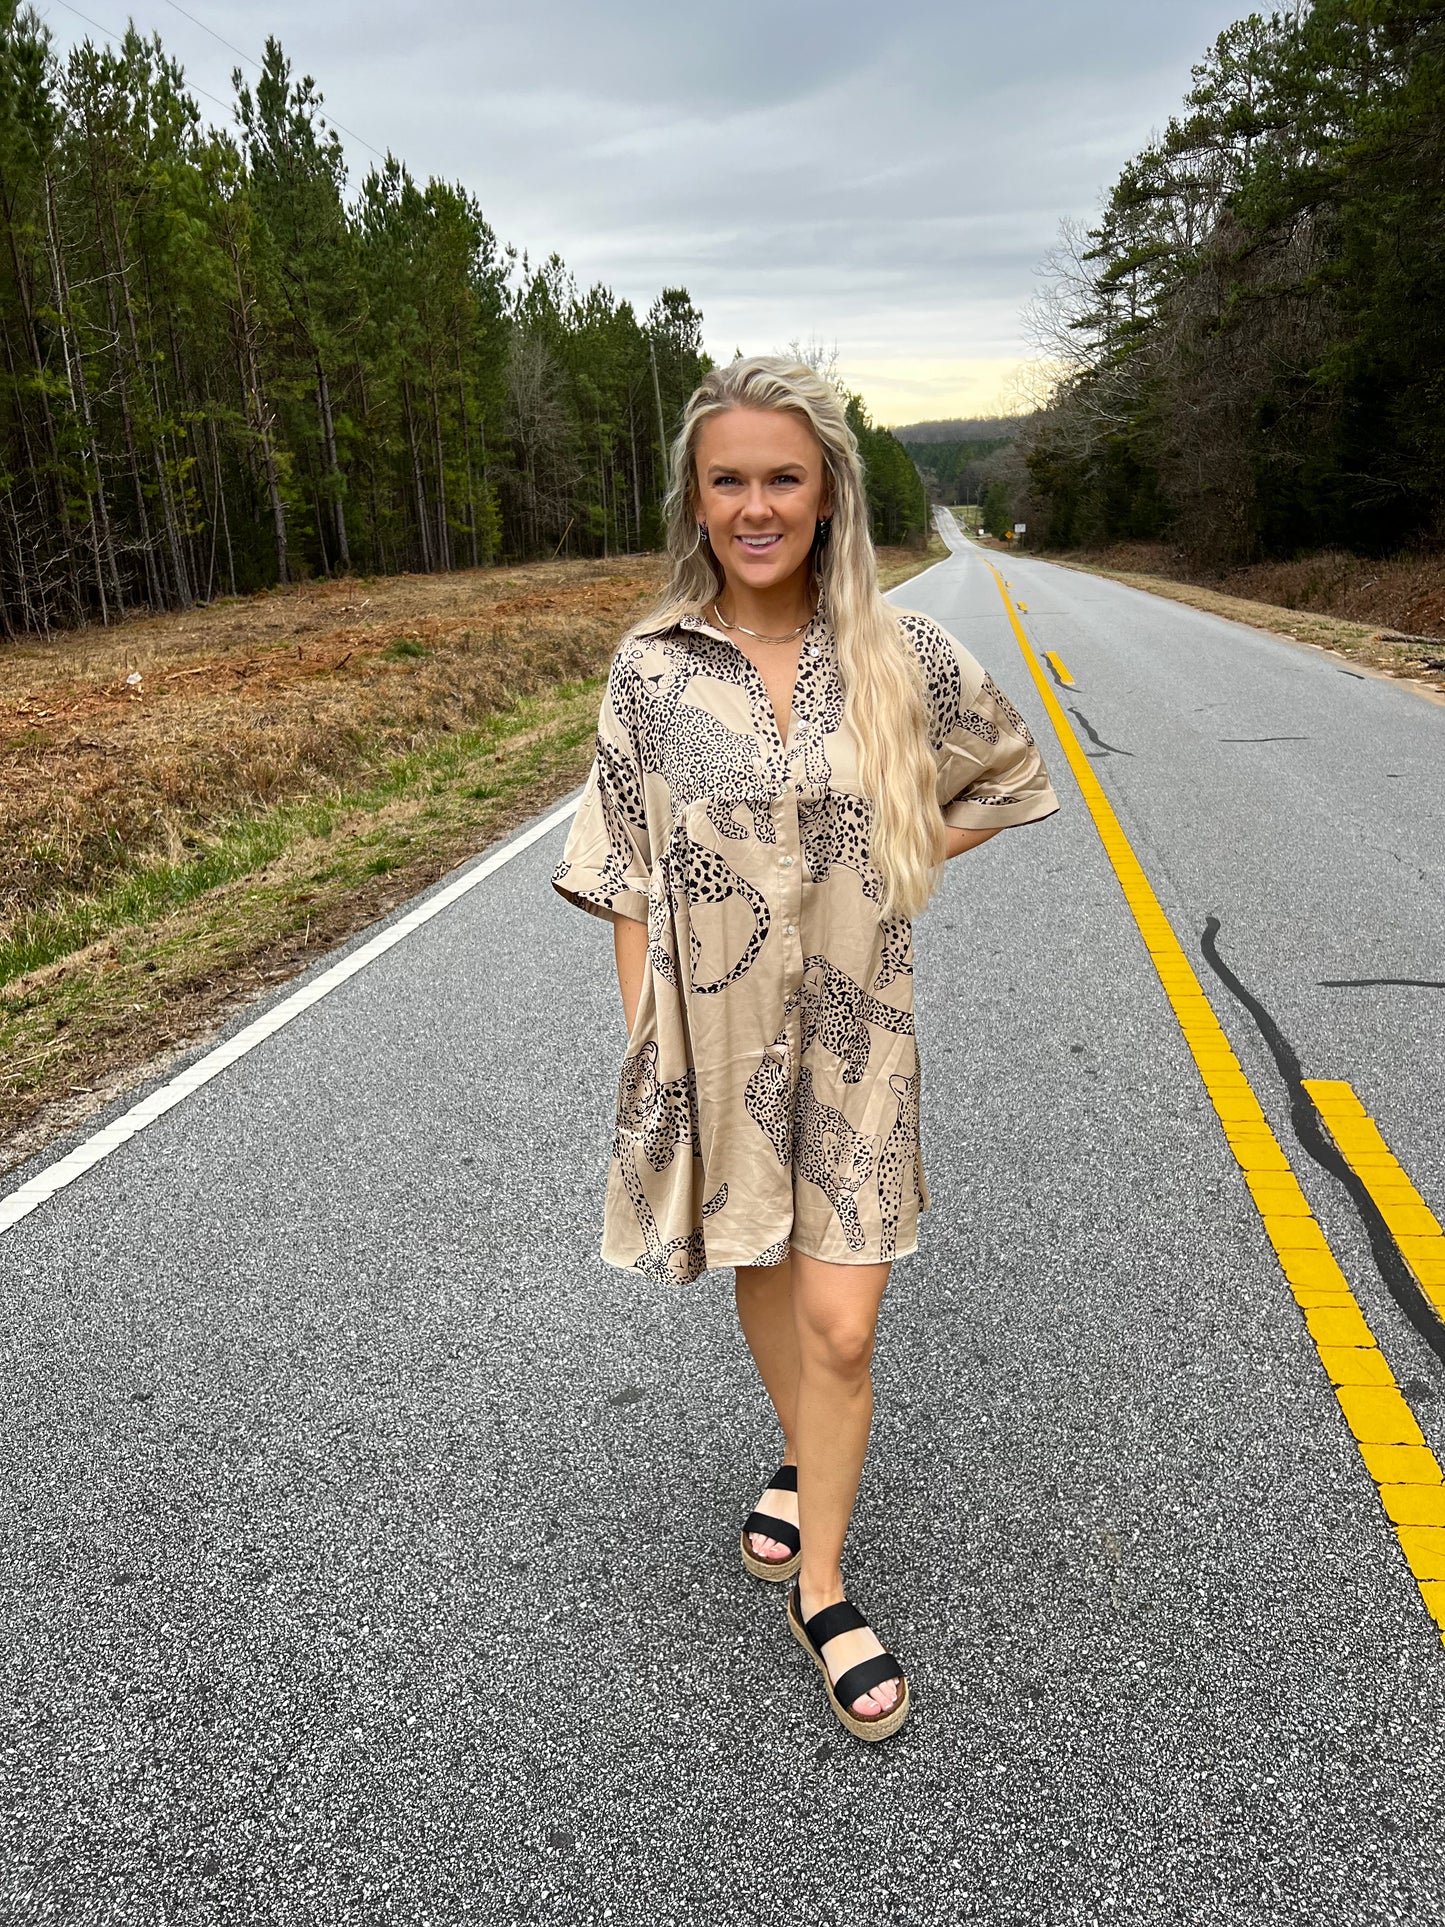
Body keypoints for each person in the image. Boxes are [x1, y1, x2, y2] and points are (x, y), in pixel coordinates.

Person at [551, 356, 1059, 1742]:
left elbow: (1014, 775)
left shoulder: (896, 654)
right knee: (767, 1276)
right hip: (711, 1050)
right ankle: (798, 1461)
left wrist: (901, 848)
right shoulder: (650, 672)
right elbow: (623, 877)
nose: (755, 505)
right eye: (730, 480)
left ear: (827, 491)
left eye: (783, 476)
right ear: (695, 498)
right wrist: (653, 1052)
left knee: (842, 1324)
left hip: (857, 1044)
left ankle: (819, 1585)